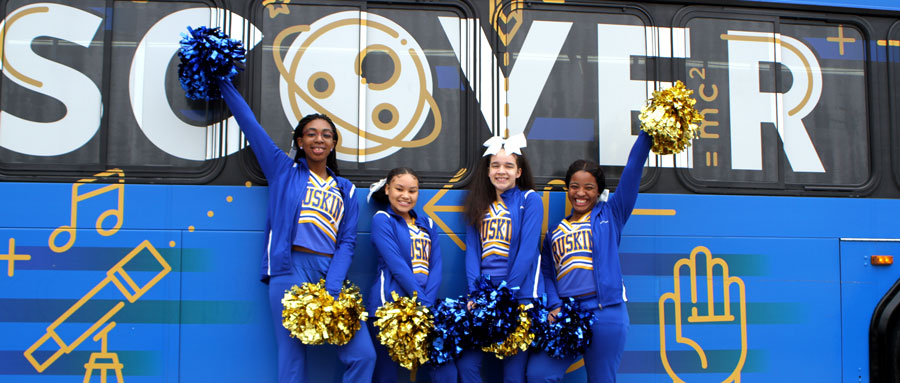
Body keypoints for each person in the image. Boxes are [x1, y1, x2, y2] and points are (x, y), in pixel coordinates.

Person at [217, 79, 375, 383]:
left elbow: (348, 243)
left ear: (333, 144)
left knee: (363, 354)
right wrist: (224, 82)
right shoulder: (283, 171)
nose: (319, 139)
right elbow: (250, 125)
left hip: (331, 272)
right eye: (312, 134)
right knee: (291, 358)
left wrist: (333, 285)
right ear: (300, 141)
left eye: (327, 135)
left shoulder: (347, 189)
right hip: (289, 271)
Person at [528, 131, 652, 382]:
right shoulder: (554, 232)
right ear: (567, 189)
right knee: (539, 374)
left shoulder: (611, 215)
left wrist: (648, 133)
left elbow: (633, 169)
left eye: (588, 187)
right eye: (574, 186)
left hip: (606, 311)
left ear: (598, 192)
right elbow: (548, 274)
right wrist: (554, 305)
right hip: (569, 315)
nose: (580, 193)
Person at [457, 135, 544, 383]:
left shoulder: (530, 200)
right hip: (483, 296)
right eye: (495, 165)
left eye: (508, 166)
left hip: (519, 297)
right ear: (487, 171)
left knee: (513, 375)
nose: (501, 171)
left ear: (519, 171)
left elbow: (527, 252)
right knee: (467, 365)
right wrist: (475, 293)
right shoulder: (478, 204)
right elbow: (473, 253)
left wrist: (508, 294)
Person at [366, 167, 457, 383]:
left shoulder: (428, 224)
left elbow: (436, 266)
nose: (406, 196)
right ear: (387, 189)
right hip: (387, 308)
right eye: (399, 189)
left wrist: (427, 305)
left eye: (412, 191)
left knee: (445, 370)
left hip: (424, 307)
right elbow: (397, 266)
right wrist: (423, 302)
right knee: (387, 374)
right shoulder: (382, 219)